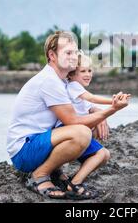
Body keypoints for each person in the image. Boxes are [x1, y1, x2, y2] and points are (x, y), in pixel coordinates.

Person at [6, 31, 130, 199]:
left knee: (91, 134)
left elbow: (83, 100)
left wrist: (99, 112)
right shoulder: (49, 81)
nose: (74, 57)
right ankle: (39, 176)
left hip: (37, 143)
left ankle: (56, 173)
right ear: (52, 55)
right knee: (82, 132)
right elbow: (73, 121)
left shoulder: (62, 80)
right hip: (24, 151)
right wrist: (113, 109)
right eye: (68, 53)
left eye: (75, 52)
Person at [53, 52, 131, 192]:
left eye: (90, 70)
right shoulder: (73, 86)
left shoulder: (77, 91)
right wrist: (114, 102)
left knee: (100, 148)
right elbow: (93, 98)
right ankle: (75, 183)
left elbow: (92, 107)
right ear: (70, 74)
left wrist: (102, 118)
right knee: (102, 154)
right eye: (83, 71)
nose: (88, 74)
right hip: (70, 131)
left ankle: (71, 176)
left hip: (74, 131)